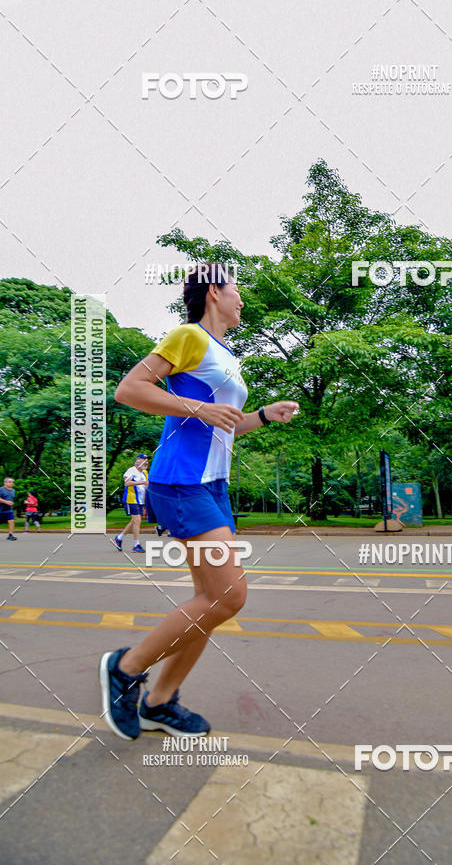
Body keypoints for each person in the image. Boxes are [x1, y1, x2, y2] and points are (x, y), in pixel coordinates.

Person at [100, 266, 298, 740]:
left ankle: (161, 703)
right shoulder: (189, 336)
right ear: (215, 292)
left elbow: (223, 424)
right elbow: (129, 390)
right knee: (229, 596)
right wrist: (199, 407)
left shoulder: (226, 354)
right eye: (238, 292)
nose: (242, 301)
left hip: (212, 486)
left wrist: (263, 417)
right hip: (182, 482)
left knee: (211, 601)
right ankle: (125, 670)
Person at [112, 454, 149, 553]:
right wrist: (142, 483)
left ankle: (119, 538)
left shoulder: (145, 473)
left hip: (140, 501)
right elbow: (127, 483)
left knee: (134, 521)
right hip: (131, 499)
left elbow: (146, 487)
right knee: (137, 521)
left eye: (147, 461)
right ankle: (136, 545)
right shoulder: (131, 470)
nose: (146, 462)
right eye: (144, 460)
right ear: (138, 462)